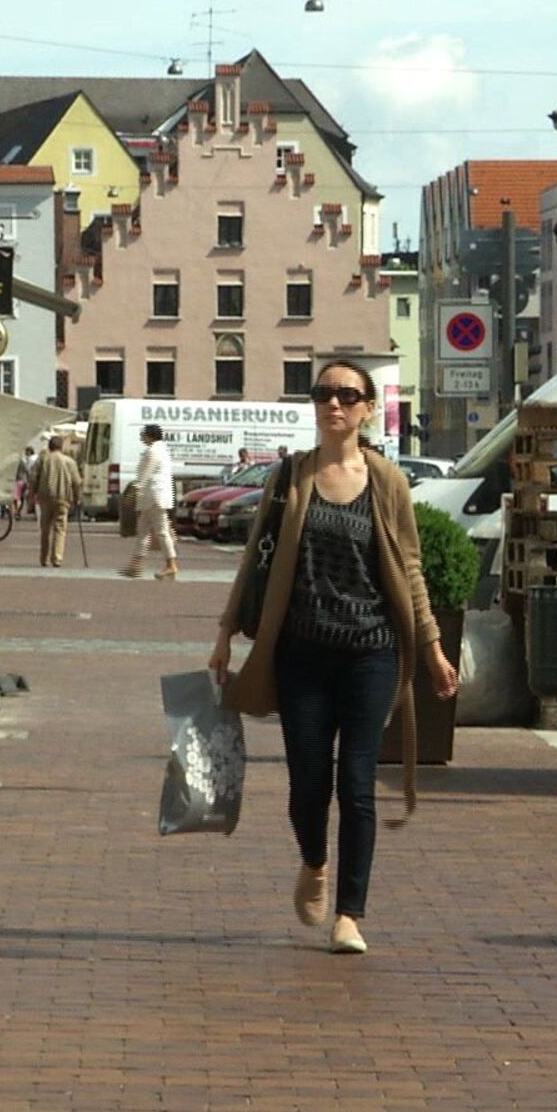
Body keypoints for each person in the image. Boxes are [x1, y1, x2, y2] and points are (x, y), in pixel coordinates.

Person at [208, 360, 461, 955]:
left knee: (356, 783)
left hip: (370, 652)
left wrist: (431, 647)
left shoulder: (388, 481)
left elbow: (411, 569)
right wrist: (225, 632)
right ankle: (314, 861)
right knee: (308, 784)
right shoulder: (290, 476)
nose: (334, 404)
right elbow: (255, 560)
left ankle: (350, 913)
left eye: (348, 395)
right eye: (324, 394)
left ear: (368, 408)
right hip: (302, 653)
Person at [120, 424, 180, 580]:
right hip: (154, 497)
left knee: (161, 532)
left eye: (143, 435)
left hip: (153, 497)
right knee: (143, 532)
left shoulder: (153, 451)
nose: (141, 438)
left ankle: (171, 565)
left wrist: (135, 491)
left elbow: (146, 474)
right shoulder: (163, 450)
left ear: (149, 436)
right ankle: (136, 565)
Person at [32, 435, 85, 567]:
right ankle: (57, 557)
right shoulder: (69, 462)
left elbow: (34, 477)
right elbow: (76, 482)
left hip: (45, 497)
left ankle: (43, 557)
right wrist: (78, 497)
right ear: (61, 447)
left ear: (49, 447)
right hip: (63, 496)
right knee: (60, 527)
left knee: (45, 528)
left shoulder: (43, 460)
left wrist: (32, 492)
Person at [15, 440, 41, 520]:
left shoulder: (22, 460)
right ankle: (34, 513)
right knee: (28, 497)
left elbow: (21, 471)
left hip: (20, 481)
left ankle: (18, 512)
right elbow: (30, 471)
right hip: (27, 481)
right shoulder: (33, 460)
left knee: (18, 497)